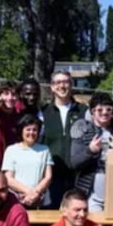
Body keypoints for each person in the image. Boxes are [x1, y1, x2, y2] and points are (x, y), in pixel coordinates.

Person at [69, 93, 113, 212]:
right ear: (92, 111)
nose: (104, 113)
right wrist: (90, 151)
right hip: (90, 190)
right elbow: (74, 162)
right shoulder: (82, 129)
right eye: (99, 110)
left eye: (108, 109)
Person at [40, 70, 86, 202]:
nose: (62, 86)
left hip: (78, 175)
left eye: (66, 82)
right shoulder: (44, 113)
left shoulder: (83, 111)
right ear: (52, 87)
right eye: (58, 82)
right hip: (51, 175)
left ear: (71, 85)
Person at [2, 114, 53, 209]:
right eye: (28, 129)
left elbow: (48, 176)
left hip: (39, 200)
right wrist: (27, 192)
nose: (31, 133)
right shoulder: (11, 150)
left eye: (35, 130)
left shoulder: (44, 150)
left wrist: (35, 193)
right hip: (17, 199)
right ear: (21, 131)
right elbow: (8, 178)